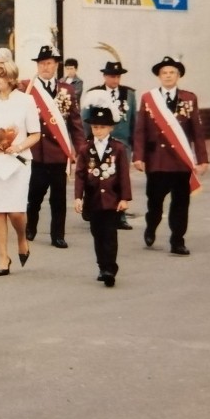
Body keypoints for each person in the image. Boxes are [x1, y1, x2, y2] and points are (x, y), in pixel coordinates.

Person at [133, 56, 208, 256]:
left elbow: (197, 132)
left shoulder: (189, 99)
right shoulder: (149, 99)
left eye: (172, 72)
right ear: (159, 76)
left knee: (181, 204)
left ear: (178, 76)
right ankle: (151, 227)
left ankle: (177, 240)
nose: (168, 76)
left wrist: (202, 159)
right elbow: (140, 130)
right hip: (156, 161)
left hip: (181, 163)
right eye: (164, 73)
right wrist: (138, 156)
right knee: (155, 203)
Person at [0, 59, 40, 275]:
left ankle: (22, 238)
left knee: (15, 211)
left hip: (18, 161)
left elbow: (35, 134)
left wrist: (19, 146)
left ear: (11, 80)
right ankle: (3, 256)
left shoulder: (26, 101)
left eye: (1, 76)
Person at [24, 45, 86, 248]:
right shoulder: (27, 88)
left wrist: (81, 149)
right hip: (36, 152)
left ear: (56, 65)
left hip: (59, 152)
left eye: (49, 63)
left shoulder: (67, 90)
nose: (45, 67)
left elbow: (75, 123)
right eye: (41, 63)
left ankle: (58, 234)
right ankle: (30, 227)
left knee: (58, 198)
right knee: (34, 196)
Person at [74, 91, 132, 287]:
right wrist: (78, 197)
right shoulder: (85, 148)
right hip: (93, 200)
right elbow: (80, 174)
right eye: (95, 127)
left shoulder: (118, 148)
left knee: (109, 234)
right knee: (97, 234)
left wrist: (125, 198)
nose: (98, 130)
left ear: (110, 128)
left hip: (111, 200)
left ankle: (110, 268)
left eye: (102, 127)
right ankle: (102, 266)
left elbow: (123, 174)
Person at [83, 58, 137, 229]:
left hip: (121, 144)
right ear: (105, 76)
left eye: (118, 77)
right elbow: (86, 119)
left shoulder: (128, 94)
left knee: (120, 177)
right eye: (112, 76)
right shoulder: (94, 93)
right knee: (94, 176)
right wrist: (87, 141)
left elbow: (134, 121)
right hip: (98, 141)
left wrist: (134, 145)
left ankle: (119, 214)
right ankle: (92, 208)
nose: (115, 80)